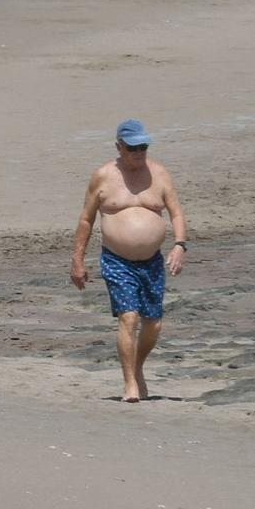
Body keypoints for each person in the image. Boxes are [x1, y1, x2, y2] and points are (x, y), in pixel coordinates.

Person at [69, 120, 188, 403]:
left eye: (143, 147)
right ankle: (129, 384)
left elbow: (176, 214)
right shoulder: (103, 176)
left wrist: (180, 246)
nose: (139, 153)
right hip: (117, 260)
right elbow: (86, 220)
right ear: (119, 147)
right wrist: (78, 261)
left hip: (152, 262)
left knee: (154, 323)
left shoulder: (159, 174)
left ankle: (138, 366)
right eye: (133, 148)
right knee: (129, 316)